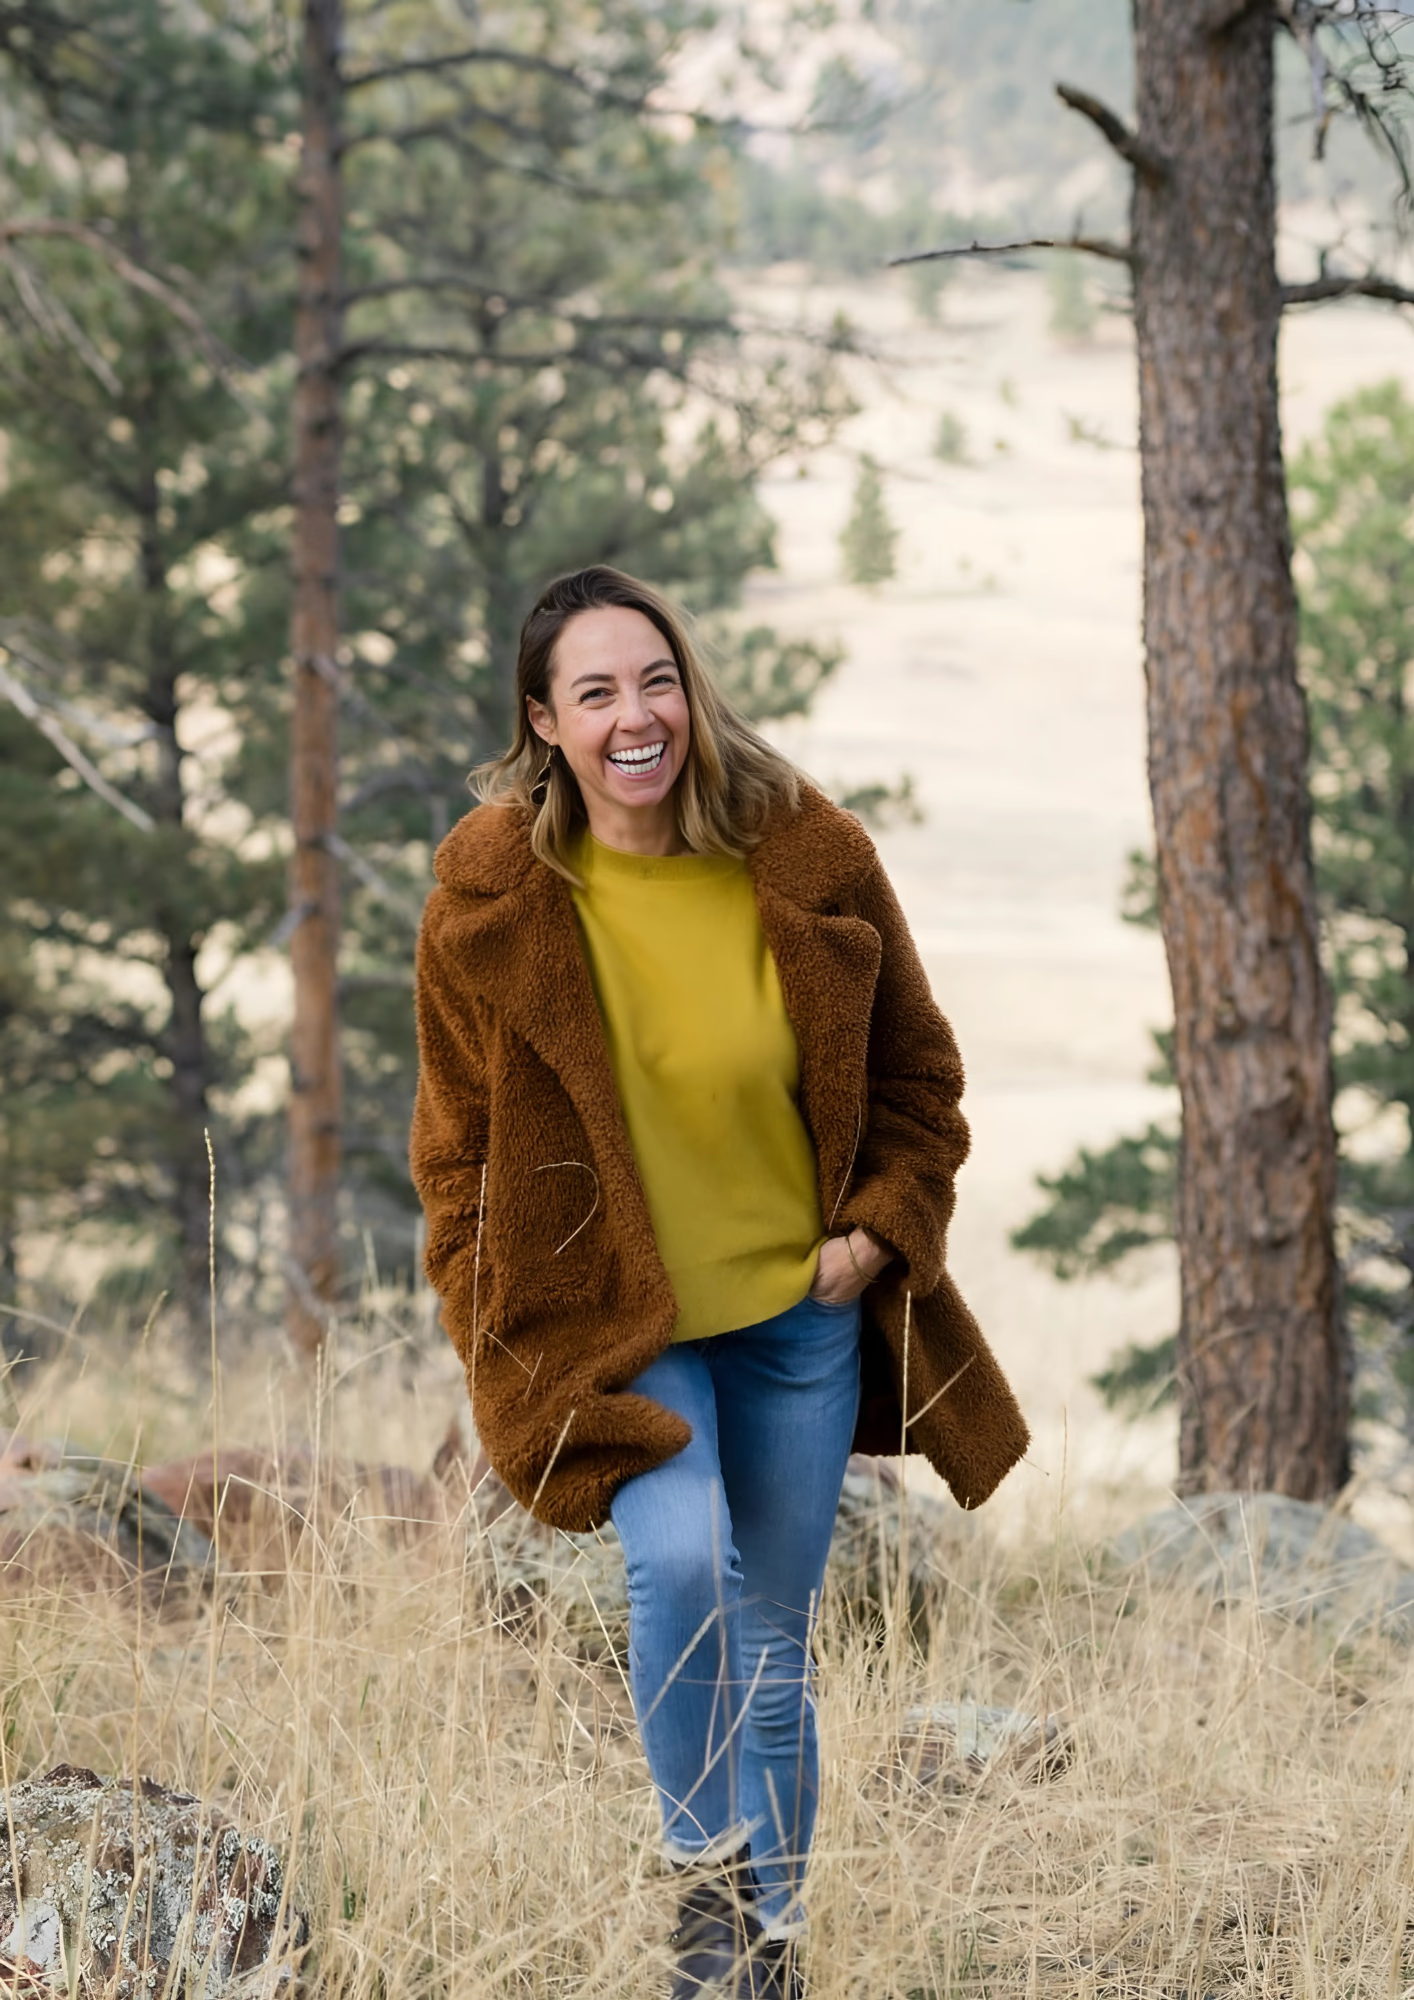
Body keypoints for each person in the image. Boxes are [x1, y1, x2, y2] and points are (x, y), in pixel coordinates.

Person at [410, 566, 1029, 1998]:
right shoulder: (489, 900)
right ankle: (703, 1881)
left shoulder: (803, 852)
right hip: (615, 1334)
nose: (637, 717)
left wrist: (874, 1235)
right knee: (677, 1564)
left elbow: (919, 1079)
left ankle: (768, 1953)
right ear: (542, 722)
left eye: (655, 680)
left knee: (770, 1647)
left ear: (689, 686)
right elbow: (456, 1158)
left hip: (794, 1322)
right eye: (595, 693)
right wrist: (483, 1323)